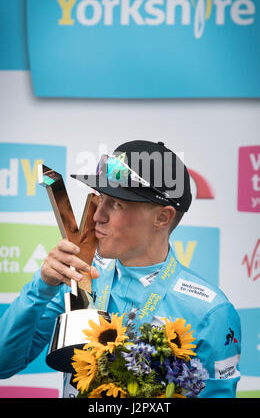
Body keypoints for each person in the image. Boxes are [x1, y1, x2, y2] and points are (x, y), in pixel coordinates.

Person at [0, 140, 241, 398]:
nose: (97, 216)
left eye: (116, 204)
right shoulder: (80, 277)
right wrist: (43, 286)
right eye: (100, 199)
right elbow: (5, 364)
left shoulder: (210, 311)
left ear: (162, 217)